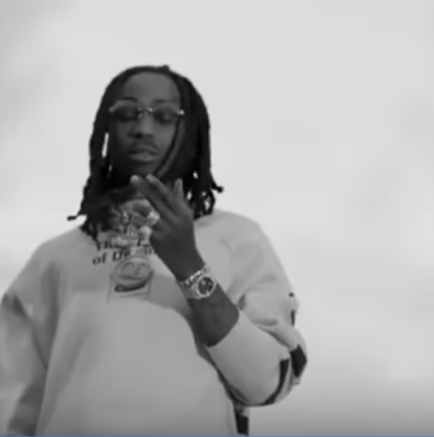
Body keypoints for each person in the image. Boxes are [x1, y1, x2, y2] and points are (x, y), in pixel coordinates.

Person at [0, 65, 307, 436]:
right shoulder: (53, 259)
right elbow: (13, 407)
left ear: (188, 132)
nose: (143, 128)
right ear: (106, 129)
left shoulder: (236, 238)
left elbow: (266, 382)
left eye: (164, 116)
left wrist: (188, 265)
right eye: (127, 113)